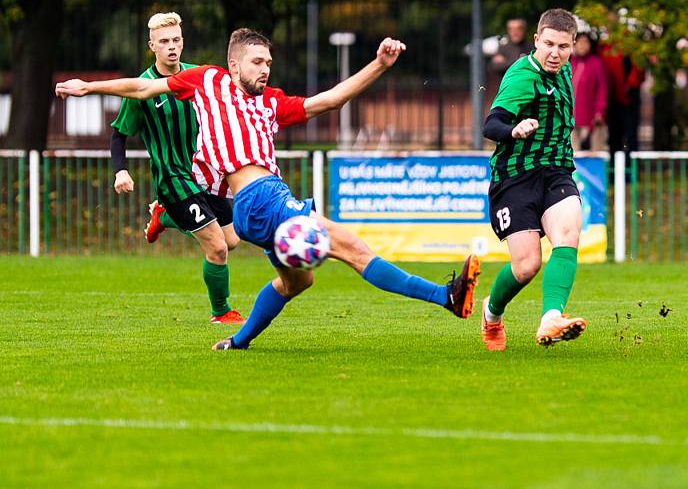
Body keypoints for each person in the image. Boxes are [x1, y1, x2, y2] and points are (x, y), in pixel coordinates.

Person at [56, 29, 480, 351]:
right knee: (353, 248)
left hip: (256, 206)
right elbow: (142, 87)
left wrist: (379, 66)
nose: (265, 69)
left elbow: (329, 100)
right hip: (260, 198)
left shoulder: (271, 101)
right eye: (257, 61)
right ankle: (447, 296)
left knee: (298, 282)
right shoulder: (206, 81)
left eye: (269, 63)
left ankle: (236, 342)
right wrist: (89, 87)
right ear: (234, 65)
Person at [109, 12, 244, 325]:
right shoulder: (141, 87)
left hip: (204, 175)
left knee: (233, 240)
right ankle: (221, 312)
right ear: (152, 45)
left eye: (176, 40)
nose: (172, 46)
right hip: (173, 179)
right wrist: (121, 170)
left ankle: (165, 215)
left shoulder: (198, 76)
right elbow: (119, 135)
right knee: (218, 247)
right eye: (164, 41)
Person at [479, 8, 587, 351]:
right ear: (536, 40)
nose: (555, 54)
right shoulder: (522, 76)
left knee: (568, 233)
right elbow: (490, 125)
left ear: (573, 46)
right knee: (527, 266)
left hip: (556, 171)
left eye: (564, 47)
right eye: (549, 45)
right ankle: (492, 313)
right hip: (515, 177)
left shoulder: (564, 69)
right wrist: (514, 128)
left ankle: (551, 317)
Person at [598, 40, 645, 156]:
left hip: (628, 97)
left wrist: (630, 85)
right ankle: (614, 169)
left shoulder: (630, 44)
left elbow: (639, 70)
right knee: (614, 136)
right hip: (611, 97)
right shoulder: (603, 47)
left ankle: (630, 170)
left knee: (630, 137)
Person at [569, 32, 607, 151]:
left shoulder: (596, 63)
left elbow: (602, 89)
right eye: (579, 42)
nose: (582, 45)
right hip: (570, 119)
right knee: (572, 156)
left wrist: (600, 111)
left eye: (586, 42)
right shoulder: (569, 63)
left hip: (591, 119)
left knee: (595, 155)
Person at [487, 18, 534, 101]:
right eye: (511, 29)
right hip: (505, 93)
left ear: (524, 30)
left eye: (518, 28)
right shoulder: (503, 48)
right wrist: (521, 61)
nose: (515, 32)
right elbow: (494, 67)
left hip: (527, 93)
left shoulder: (531, 48)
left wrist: (506, 62)